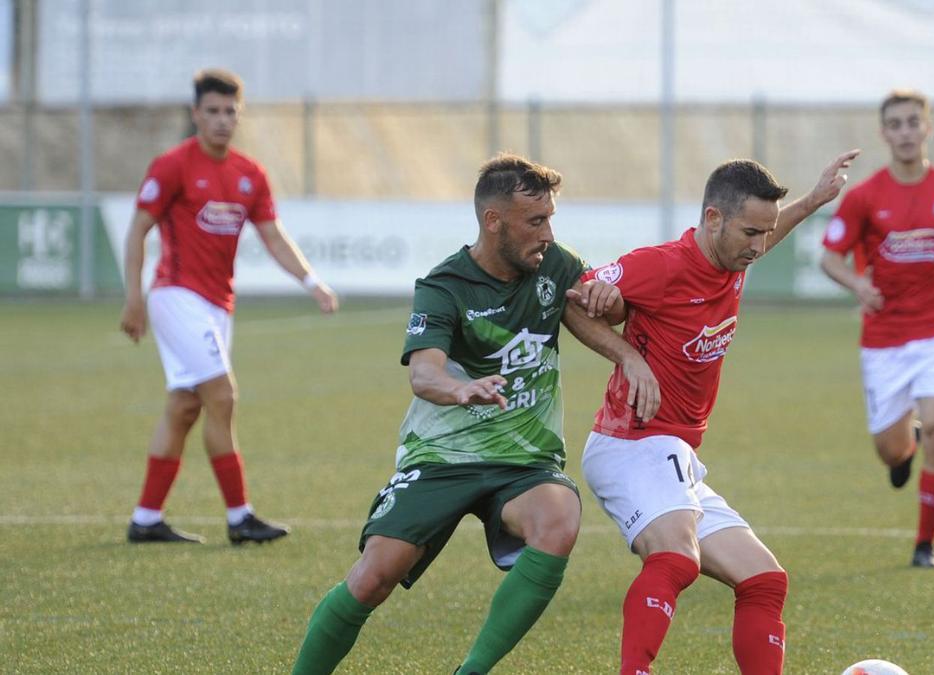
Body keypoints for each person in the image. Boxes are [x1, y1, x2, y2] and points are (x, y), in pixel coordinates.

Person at [290, 154, 659, 675]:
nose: (548, 232)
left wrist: (626, 347)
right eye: (535, 221)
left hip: (524, 461)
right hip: (443, 456)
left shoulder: (554, 264)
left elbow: (593, 313)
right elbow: (424, 374)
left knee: (559, 520)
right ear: (493, 221)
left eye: (551, 218)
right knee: (376, 576)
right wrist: (462, 391)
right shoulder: (443, 286)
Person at [573, 152, 859, 675]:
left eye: (764, 233)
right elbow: (575, 300)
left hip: (673, 451)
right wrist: (628, 356)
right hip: (632, 441)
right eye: (750, 232)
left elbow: (764, 237)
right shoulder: (661, 265)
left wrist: (814, 201)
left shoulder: (733, 259)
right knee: (676, 559)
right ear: (713, 219)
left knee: (765, 581)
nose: (759, 246)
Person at [119, 68, 339, 545]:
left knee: (184, 407)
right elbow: (137, 230)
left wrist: (311, 282)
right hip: (176, 296)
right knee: (222, 396)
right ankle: (241, 517)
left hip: (218, 304)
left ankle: (145, 519)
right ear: (196, 113)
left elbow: (274, 237)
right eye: (213, 111)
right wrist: (134, 298)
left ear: (239, 115)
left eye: (230, 112)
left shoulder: (249, 174)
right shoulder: (172, 165)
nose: (222, 120)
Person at [819, 89, 934, 570]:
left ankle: (925, 546)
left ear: (928, 128)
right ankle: (906, 446)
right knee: (889, 450)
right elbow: (829, 258)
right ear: (885, 133)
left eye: (913, 123)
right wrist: (857, 283)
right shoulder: (865, 197)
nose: (905, 132)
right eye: (896, 124)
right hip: (884, 340)